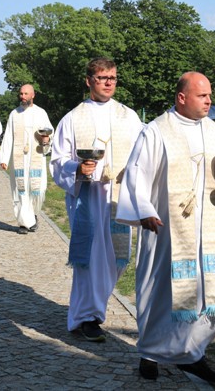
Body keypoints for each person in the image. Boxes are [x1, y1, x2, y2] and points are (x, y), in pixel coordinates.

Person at [116, 71, 215, 384]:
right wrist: (144, 210)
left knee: (205, 292)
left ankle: (193, 354)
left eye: (210, 95)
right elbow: (136, 174)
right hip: (165, 226)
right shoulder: (156, 131)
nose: (209, 101)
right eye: (202, 96)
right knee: (159, 291)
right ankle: (150, 353)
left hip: (205, 227)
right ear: (182, 97)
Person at [50, 57, 142, 343]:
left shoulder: (129, 116)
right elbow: (58, 159)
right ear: (89, 81)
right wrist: (77, 168)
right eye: (103, 78)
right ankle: (88, 317)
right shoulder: (73, 118)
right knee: (89, 259)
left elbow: (143, 154)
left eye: (113, 77)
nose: (109, 82)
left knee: (117, 259)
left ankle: (91, 308)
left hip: (118, 196)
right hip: (88, 197)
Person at [0, 84, 54, 234]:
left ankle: (33, 216)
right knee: (20, 189)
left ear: (33, 95)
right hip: (19, 158)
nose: (23, 96)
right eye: (21, 94)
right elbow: (8, 136)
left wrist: (46, 140)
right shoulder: (14, 114)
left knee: (37, 188)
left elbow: (49, 131)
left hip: (35, 157)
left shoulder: (41, 113)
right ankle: (24, 223)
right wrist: (3, 158)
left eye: (26, 94)